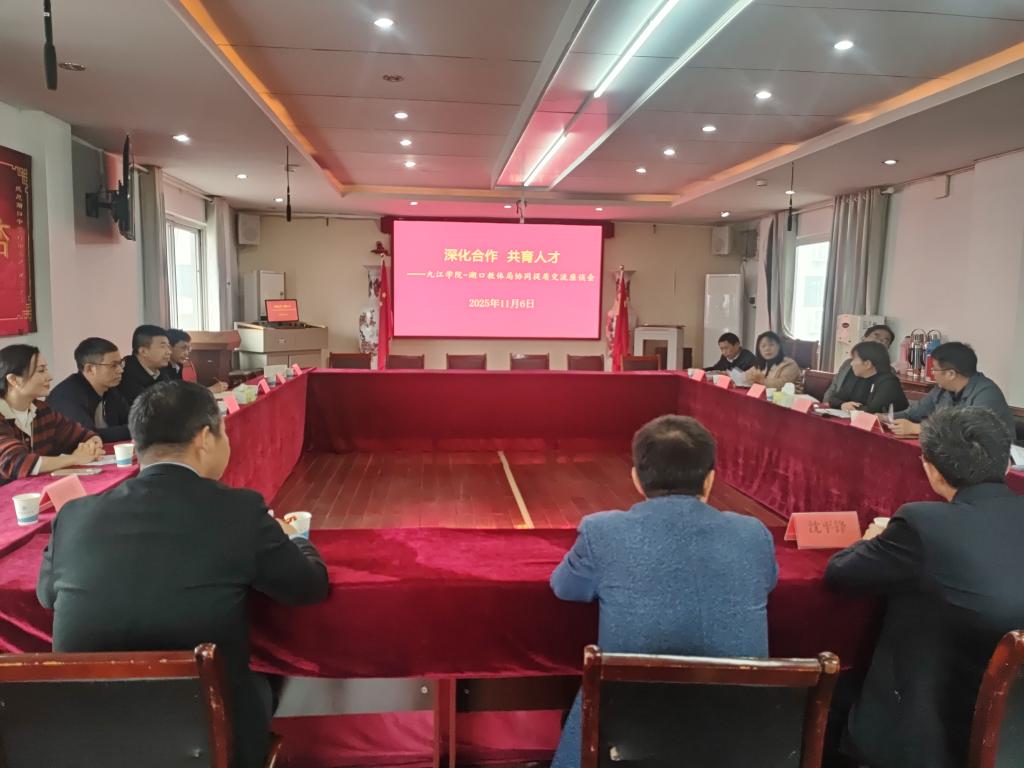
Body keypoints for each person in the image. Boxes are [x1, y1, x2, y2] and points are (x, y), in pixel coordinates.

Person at [37, 381, 329, 768]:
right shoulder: (238, 511)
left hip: (88, 738)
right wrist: (296, 539)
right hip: (209, 738)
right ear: (205, 438)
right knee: (262, 678)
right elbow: (307, 587)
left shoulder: (74, 516)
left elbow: (45, 597)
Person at [548, 414, 778, 768]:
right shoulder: (753, 534)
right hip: (741, 740)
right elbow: (767, 581)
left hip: (628, 737)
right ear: (710, 479)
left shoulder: (602, 531)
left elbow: (564, 587)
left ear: (636, 478)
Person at [825, 406, 1024, 768]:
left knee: (827, 700)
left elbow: (840, 574)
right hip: (1012, 730)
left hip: (932, 732)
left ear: (930, 469)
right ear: (1006, 463)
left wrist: (874, 539)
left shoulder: (922, 524)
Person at [0, 344, 104, 483]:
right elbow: (17, 463)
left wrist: (91, 447)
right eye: (41, 370)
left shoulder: (42, 410)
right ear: (13, 380)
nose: (50, 377)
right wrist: (75, 459)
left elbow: (86, 435)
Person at [890, 342, 1015, 439]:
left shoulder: (987, 393)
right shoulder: (942, 389)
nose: (932, 373)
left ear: (951, 374)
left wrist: (917, 428)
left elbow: (967, 433)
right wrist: (885, 418)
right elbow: (913, 413)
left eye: (934, 369)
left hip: (991, 459)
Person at [47, 337, 131, 443]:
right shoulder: (66, 397)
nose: (120, 370)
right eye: (113, 365)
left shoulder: (109, 389)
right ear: (90, 369)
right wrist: (136, 430)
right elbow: (88, 437)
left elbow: (132, 420)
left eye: (120, 363)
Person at [825, 341, 908, 414]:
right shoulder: (856, 375)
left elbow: (872, 411)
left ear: (867, 364)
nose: (851, 363)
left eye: (854, 359)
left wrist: (851, 407)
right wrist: (843, 404)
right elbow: (833, 398)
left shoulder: (889, 383)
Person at [823, 324, 895, 405]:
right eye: (876, 336)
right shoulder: (848, 364)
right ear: (863, 339)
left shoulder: (888, 371)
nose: (879, 341)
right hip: (836, 408)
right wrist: (825, 405)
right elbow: (833, 389)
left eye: (885, 340)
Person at [117, 324, 172, 407]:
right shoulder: (125, 377)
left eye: (168, 346)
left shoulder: (161, 370)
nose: (169, 352)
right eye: (163, 346)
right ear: (143, 351)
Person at [166, 329, 228, 394]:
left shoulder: (178, 365)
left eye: (188, 349)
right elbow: (174, 395)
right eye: (183, 348)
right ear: (170, 347)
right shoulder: (163, 368)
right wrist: (210, 390)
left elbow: (183, 390)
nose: (186, 353)